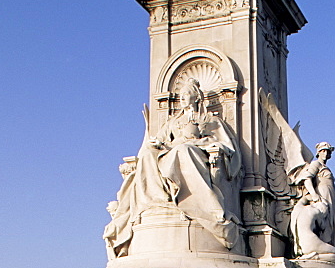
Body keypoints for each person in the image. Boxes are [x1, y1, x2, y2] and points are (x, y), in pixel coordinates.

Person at [104, 80, 242, 252]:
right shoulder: (173, 121)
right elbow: (160, 139)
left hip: (196, 152)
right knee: (148, 154)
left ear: (196, 97)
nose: (183, 99)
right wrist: (156, 144)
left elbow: (225, 144)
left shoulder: (209, 119)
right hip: (169, 152)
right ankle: (157, 201)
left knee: (183, 150)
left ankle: (200, 205)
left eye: (186, 95)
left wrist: (205, 142)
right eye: (181, 95)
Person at [291, 142, 335, 261]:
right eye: (323, 151)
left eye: (328, 151)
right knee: (326, 226)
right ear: (318, 152)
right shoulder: (316, 164)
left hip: (331, 198)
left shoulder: (326, 167)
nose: (326, 153)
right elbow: (307, 179)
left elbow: (330, 189)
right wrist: (314, 194)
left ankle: (333, 249)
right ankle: (323, 251)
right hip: (322, 197)